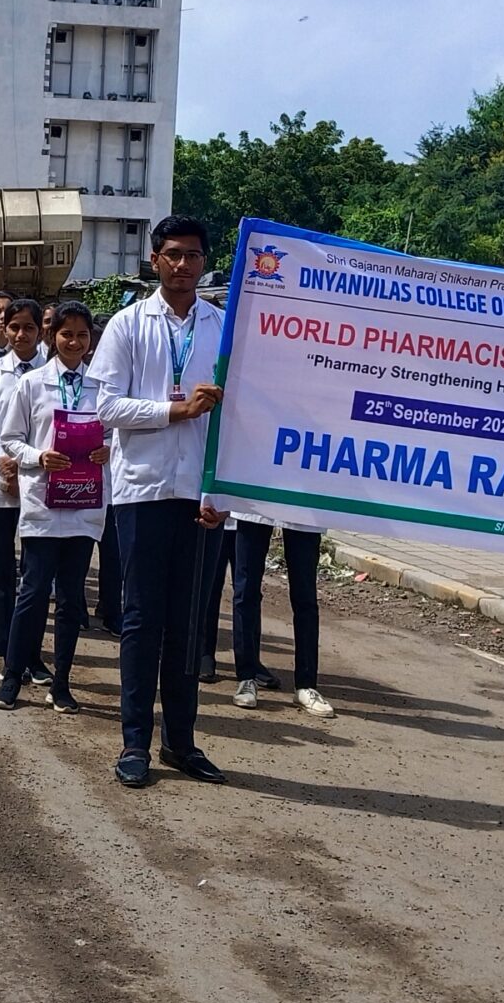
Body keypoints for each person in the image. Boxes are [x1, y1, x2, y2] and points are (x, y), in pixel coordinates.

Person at [91, 215, 229, 789]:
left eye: (192, 255)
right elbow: (106, 408)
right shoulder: (127, 325)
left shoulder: (221, 328)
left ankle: (181, 741)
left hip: (199, 496)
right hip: (142, 491)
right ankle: (134, 742)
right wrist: (176, 411)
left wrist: (222, 493)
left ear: (204, 263)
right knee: (142, 619)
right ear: (155, 260)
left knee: (188, 623)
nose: (182, 264)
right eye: (172, 254)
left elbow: (238, 419)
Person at [0, 299, 109, 713]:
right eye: (66, 334)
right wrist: (38, 456)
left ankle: (61, 683)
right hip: (43, 502)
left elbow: (117, 434)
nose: (74, 342)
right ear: (51, 336)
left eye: (82, 335)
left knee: (72, 599)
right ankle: (12, 676)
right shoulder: (31, 384)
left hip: (84, 504)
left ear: (91, 340)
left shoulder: (102, 387)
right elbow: (10, 438)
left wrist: (108, 450)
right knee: (34, 590)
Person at [198, 511, 331, 715]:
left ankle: (306, 685)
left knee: (305, 597)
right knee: (246, 591)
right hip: (255, 507)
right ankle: (246, 677)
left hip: (304, 508)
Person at [0, 299, 45, 674]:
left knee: (35, 577)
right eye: (14, 327)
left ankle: (32, 654)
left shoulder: (52, 372)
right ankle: (7, 653)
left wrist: (26, 465)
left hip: (39, 482)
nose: (21, 335)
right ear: (5, 329)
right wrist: (6, 463)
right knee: (0, 572)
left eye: (29, 327)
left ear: (40, 331)